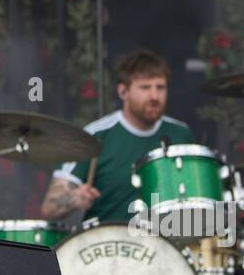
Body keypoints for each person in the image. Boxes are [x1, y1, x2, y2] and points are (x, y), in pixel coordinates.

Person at [41, 49, 193, 225]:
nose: (154, 96)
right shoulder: (95, 136)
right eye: (145, 87)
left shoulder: (181, 133)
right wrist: (74, 198)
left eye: (160, 87)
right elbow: (49, 207)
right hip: (106, 244)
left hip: (165, 242)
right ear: (123, 92)